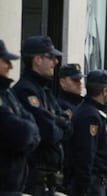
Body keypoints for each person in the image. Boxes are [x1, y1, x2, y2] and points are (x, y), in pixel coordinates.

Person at [13, 35, 72, 195]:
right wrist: (57, 123)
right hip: (33, 175)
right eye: (51, 57)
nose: (56, 62)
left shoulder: (44, 91)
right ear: (37, 60)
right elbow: (48, 132)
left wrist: (58, 122)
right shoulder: (26, 90)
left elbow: (68, 126)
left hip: (48, 177)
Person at [0, 39, 40, 194]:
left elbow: (32, 125)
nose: (10, 66)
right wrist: (29, 132)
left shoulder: (7, 93)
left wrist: (29, 132)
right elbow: (22, 133)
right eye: (5, 61)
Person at [69, 70, 107, 195]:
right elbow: (86, 152)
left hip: (98, 182)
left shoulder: (93, 112)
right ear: (105, 91)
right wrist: (84, 185)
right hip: (92, 183)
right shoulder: (90, 116)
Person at [57, 63, 84, 192]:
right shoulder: (60, 105)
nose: (79, 83)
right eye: (74, 80)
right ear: (62, 82)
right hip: (68, 169)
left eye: (80, 80)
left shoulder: (83, 105)